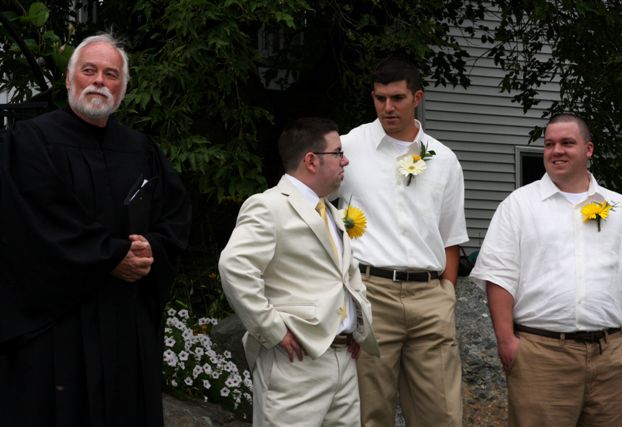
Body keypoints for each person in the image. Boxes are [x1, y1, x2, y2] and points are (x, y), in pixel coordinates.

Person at [0, 33, 191, 426]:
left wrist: (151, 248)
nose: (99, 81)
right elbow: (30, 222)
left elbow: (174, 214)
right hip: (58, 324)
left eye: (111, 74)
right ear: (70, 79)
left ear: (123, 88)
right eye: (89, 70)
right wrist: (110, 257)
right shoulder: (31, 141)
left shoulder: (141, 149)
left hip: (125, 322)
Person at [470, 113, 622, 426]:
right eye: (549, 144)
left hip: (613, 360)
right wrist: (507, 342)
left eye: (567, 143)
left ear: (588, 149)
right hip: (541, 357)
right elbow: (499, 277)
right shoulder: (519, 206)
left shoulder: (620, 209)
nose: (556, 150)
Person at [333, 58, 468, 426]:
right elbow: (316, 208)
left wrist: (446, 295)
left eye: (397, 98)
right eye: (380, 98)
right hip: (371, 292)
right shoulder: (348, 147)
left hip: (430, 297)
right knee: (370, 412)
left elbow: (451, 238)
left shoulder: (444, 159)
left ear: (417, 98)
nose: (387, 108)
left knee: (442, 414)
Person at [219, 117, 379, 426]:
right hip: (295, 362)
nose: (345, 160)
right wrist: (272, 329)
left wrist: (358, 323)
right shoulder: (268, 206)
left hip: (345, 359)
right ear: (311, 161)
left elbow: (346, 276)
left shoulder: (331, 211)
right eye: (338, 152)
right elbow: (234, 267)